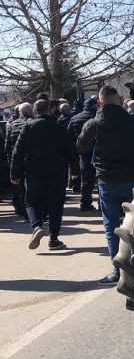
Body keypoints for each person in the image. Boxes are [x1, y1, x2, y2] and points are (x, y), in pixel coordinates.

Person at [78, 85, 134, 285]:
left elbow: (81, 146)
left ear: (100, 102)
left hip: (107, 180)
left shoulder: (93, 123)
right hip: (132, 178)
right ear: (119, 100)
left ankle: (118, 270)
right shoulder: (133, 121)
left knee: (111, 225)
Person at [10, 99, 78, 250]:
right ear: (51, 110)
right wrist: (74, 171)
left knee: (31, 202)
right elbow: (71, 151)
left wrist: (15, 174)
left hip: (34, 171)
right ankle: (53, 238)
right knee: (56, 205)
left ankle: (37, 226)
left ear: (34, 111)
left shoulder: (27, 127)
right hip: (57, 172)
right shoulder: (59, 127)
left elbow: (18, 153)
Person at [67, 98, 99, 210]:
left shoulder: (74, 118)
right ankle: (101, 204)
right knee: (100, 178)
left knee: (86, 179)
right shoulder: (97, 118)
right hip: (97, 151)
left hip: (82, 152)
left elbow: (69, 136)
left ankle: (85, 203)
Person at [5, 102, 35, 220]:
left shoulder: (11, 125)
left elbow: (7, 145)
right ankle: (33, 212)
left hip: (16, 159)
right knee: (32, 186)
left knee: (19, 187)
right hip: (31, 159)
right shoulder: (32, 124)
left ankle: (23, 211)